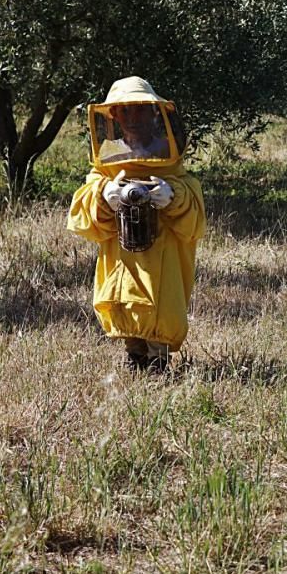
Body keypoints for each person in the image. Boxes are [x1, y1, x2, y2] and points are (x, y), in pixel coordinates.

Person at [67, 76, 206, 372]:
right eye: (125, 111)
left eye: (139, 109)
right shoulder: (109, 156)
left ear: (153, 112)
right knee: (125, 292)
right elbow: (84, 209)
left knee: (161, 296)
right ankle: (135, 354)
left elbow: (193, 212)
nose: (132, 117)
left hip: (162, 249)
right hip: (122, 248)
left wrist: (173, 195)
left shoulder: (167, 153)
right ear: (113, 115)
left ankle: (158, 360)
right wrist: (104, 195)